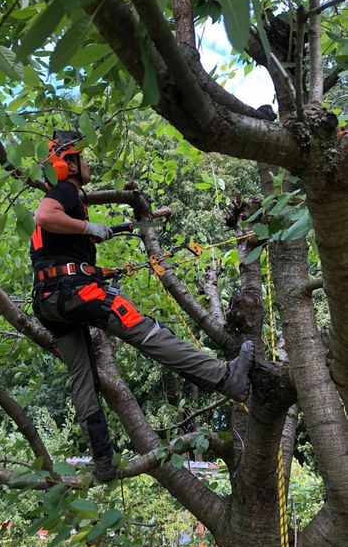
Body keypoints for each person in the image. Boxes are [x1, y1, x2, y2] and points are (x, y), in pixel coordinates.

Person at [31, 131, 255, 482]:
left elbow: (60, 257)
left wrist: (98, 261)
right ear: (69, 162)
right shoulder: (62, 194)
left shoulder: (70, 209)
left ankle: (102, 460)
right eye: (82, 158)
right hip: (74, 290)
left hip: (47, 300)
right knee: (146, 331)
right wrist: (90, 226)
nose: (87, 164)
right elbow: (44, 216)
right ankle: (226, 378)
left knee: (82, 375)